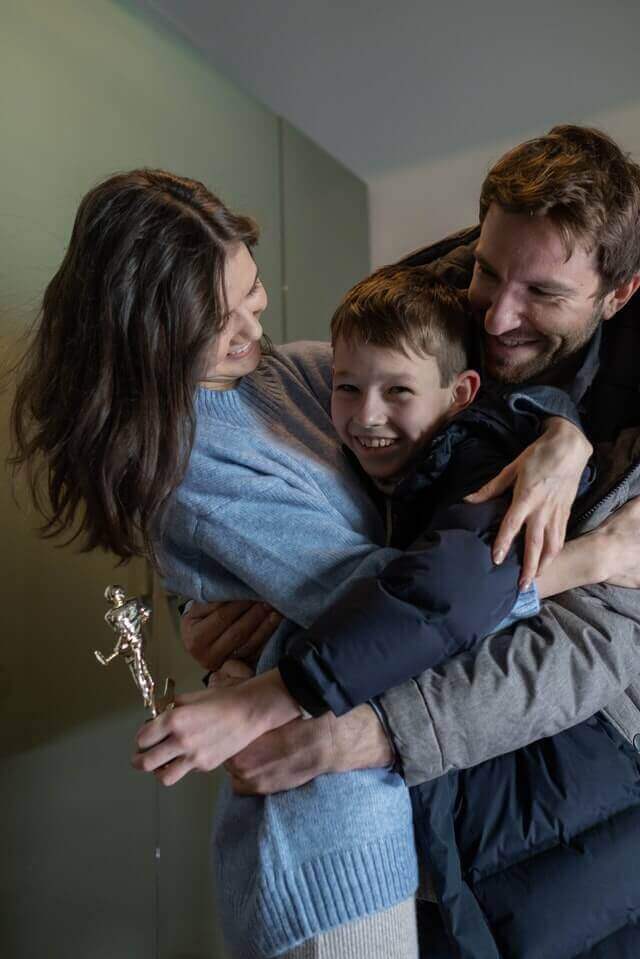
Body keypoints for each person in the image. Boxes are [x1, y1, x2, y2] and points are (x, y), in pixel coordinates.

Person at [192, 124, 640, 958]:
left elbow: (599, 647)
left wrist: (376, 728)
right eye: (487, 271)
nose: (497, 315)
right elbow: (305, 483)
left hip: (578, 781)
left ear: (618, 295)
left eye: (542, 294)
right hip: (405, 796)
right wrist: (219, 606)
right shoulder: (415, 316)